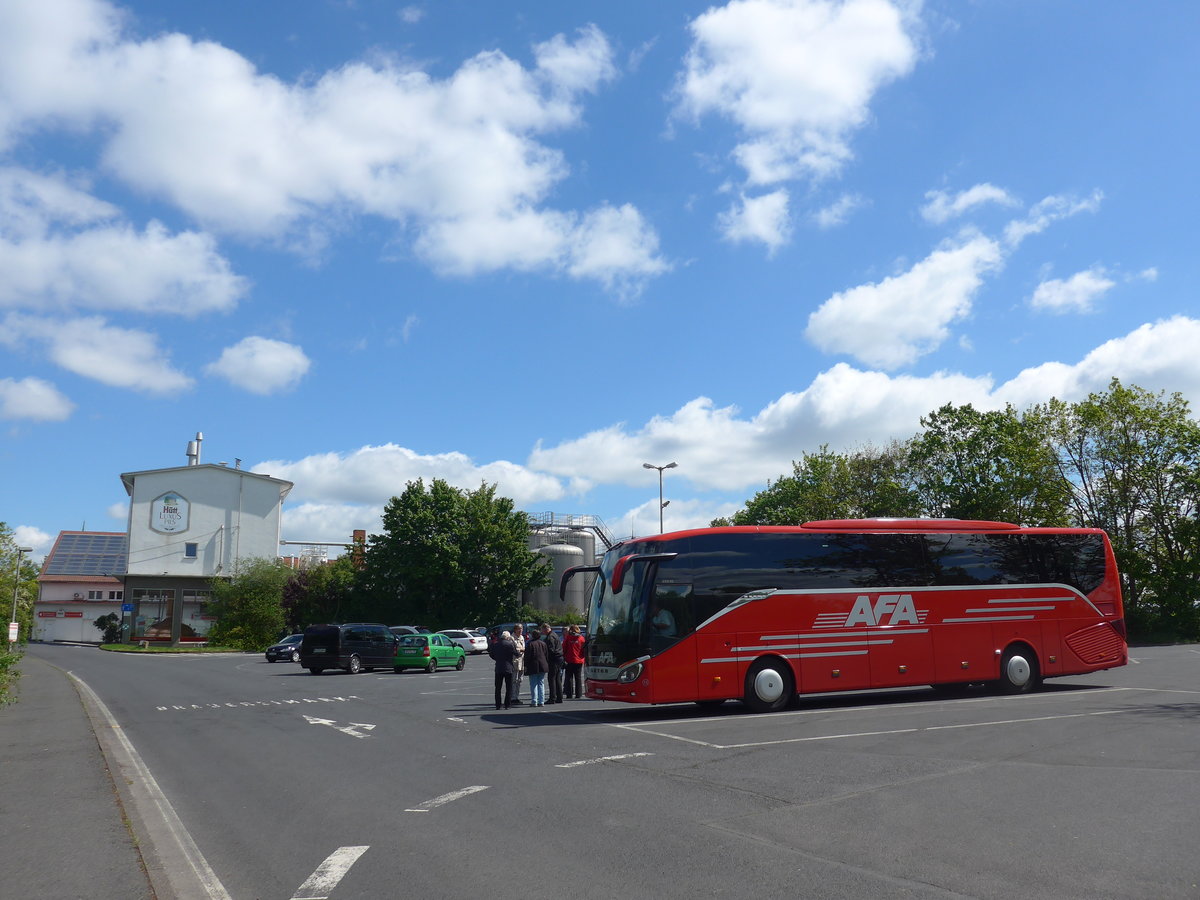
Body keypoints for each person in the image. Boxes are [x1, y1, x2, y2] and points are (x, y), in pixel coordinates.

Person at [490, 631, 517, 709]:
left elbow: (491, 654)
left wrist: (497, 659)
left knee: (498, 688)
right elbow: (516, 653)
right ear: (508, 637)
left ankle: (498, 705)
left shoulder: (495, 644)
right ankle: (507, 705)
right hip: (508, 667)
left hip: (498, 667)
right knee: (509, 687)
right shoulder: (510, 644)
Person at [523, 628, 550, 706]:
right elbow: (546, 655)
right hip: (543, 665)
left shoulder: (530, 644)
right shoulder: (543, 643)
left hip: (533, 665)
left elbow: (527, 656)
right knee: (541, 683)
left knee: (533, 683)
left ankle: (534, 701)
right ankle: (541, 701)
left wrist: (525, 665)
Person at [541, 623, 564, 704]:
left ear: (546, 629)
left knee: (551, 678)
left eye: (542, 630)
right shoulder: (555, 635)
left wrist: (546, 656)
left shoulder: (550, 637)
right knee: (557, 678)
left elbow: (551, 650)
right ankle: (559, 697)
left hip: (554, 659)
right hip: (559, 658)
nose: (542, 632)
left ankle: (552, 698)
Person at [562, 624, 585, 699]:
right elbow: (584, 649)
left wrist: (564, 656)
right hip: (579, 660)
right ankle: (578, 694)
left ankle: (569, 694)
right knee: (578, 678)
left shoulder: (568, 638)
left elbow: (564, 648)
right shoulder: (581, 638)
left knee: (569, 677)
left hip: (569, 659)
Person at [510, 624, 526, 705]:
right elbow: (514, 650)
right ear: (515, 630)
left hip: (521, 662)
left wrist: (522, 649)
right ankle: (512, 697)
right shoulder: (511, 638)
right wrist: (522, 649)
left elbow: (522, 649)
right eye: (519, 629)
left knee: (520, 680)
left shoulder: (522, 637)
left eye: (521, 629)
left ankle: (516, 696)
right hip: (514, 662)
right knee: (514, 680)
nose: (520, 630)